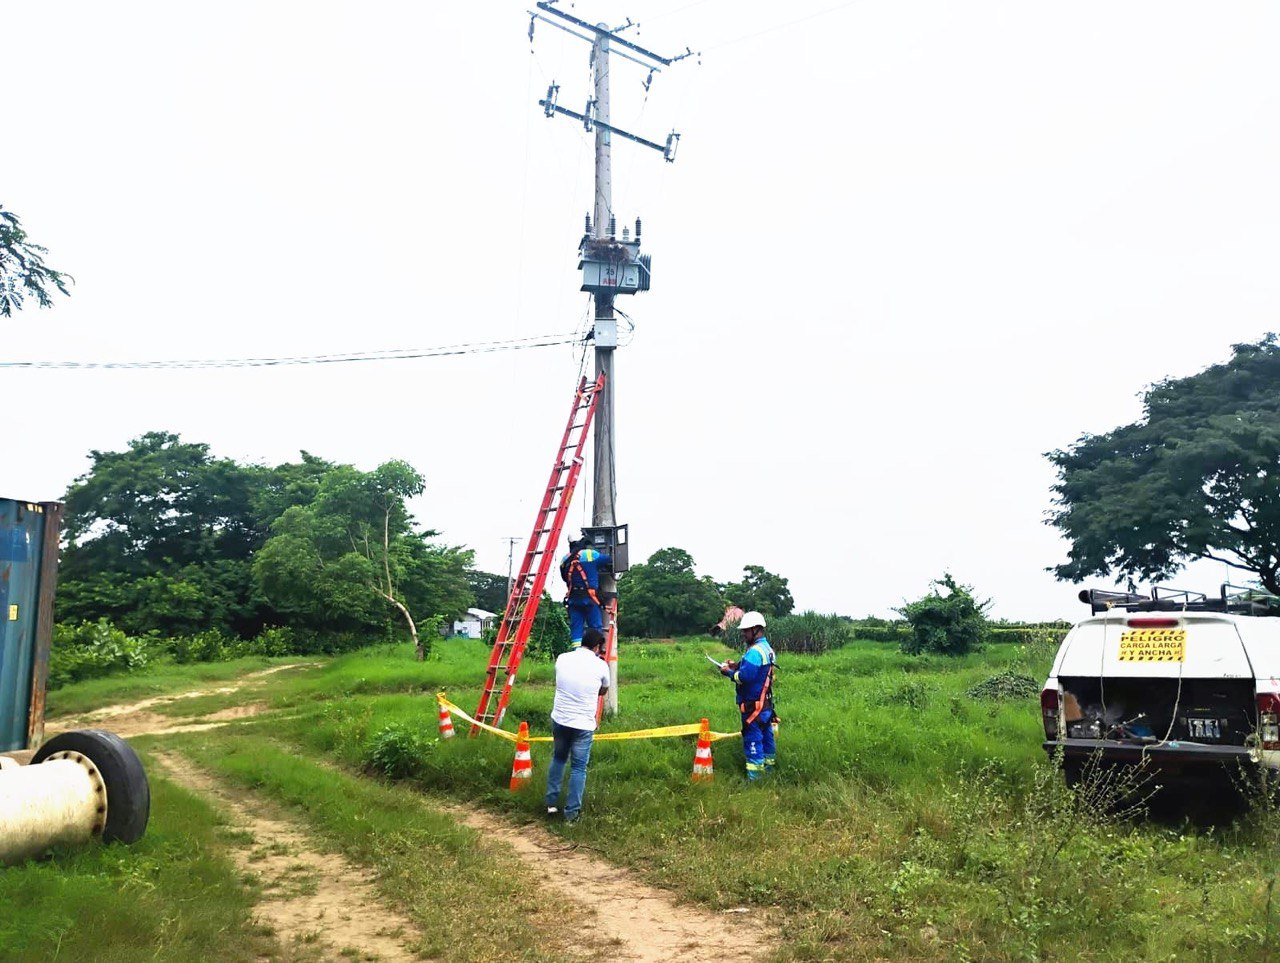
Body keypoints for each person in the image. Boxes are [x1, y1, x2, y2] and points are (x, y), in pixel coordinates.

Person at [545, 627, 610, 822]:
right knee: (578, 768)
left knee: (558, 759)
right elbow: (603, 690)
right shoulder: (601, 666)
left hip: (561, 719)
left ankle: (550, 805)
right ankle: (571, 815)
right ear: (598, 646)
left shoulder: (562, 658)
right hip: (583, 724)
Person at [718, 610, 777, 780]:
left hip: (753, 706)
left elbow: (744, 677)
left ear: (756, 629)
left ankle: (755, 777)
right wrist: (736, 665)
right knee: (767, 737)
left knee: (753, 739)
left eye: (746, 630)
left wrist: (728, 673)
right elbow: (757, 671)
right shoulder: (767, 649)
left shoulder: (754, 652)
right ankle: (769, 770)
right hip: (765, 705)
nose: (743, 633)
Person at [559, 536, 611, 646]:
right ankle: (595, 651)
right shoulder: (590, 554)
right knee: (595, 627)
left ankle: (576, 652)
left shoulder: (565, 559)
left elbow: (564, 578)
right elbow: (608, 559)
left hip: (573, 599)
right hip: (590, 599)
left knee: (576, 628)